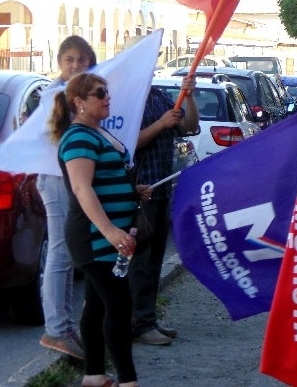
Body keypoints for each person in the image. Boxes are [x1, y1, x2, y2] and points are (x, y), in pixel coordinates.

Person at [50, 72, 147, 387]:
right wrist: (110, 232)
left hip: (110, 238)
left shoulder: (98, 133)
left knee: (97, 305)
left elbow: (105, 179)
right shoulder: (78, 137)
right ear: (79, 102)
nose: (107, 96)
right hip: (95, 239)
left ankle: (93, 374)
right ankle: (128, 380)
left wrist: (134, 190)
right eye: (99, 92)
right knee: (119, 306)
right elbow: (82, 188)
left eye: (107, 91)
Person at [38, 35, 97, 360]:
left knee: (72, 252)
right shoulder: (55, 96)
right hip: (55, 178)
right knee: (61, 253)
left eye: (81, 60)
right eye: (69, 60)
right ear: (60, 63)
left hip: (73, 178)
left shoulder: (83, 93)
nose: (75, 65)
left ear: (90, 61)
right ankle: (57, 330)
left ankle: (66, 326)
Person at [129, 76, 198, 345]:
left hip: (161, 190)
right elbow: (128, 143)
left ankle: (147, 319)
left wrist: (188, 96)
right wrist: (160, 124)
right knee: (140, 262)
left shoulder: (158, 96)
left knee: (154, 260)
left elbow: (190, 126)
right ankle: (139, 322)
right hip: (140, 190)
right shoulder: (128, 100)